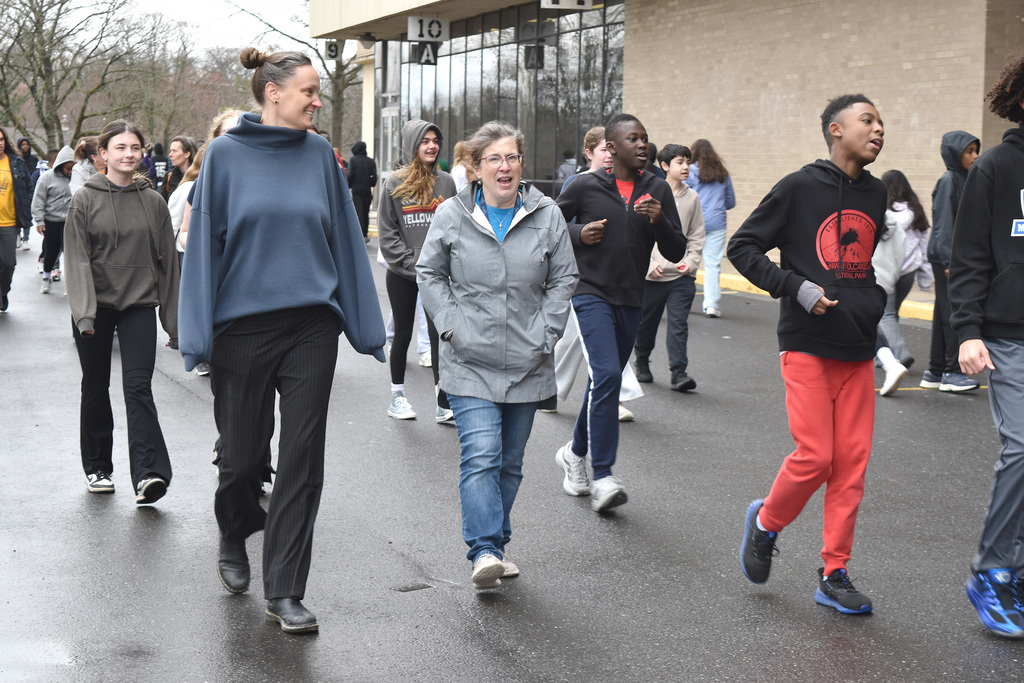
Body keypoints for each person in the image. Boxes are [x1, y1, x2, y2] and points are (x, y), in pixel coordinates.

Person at [178, 47, 385, 634]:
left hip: (310, 327)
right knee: (242, 460)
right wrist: (196, 332)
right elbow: (205, 249)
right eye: (308, 91)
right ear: (273, 92)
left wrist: (365, 325)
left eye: (318, 92)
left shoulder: (320, 154)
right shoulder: (224, 156)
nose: (318, 101)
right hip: (241, 329)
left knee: (302, 456)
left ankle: (286, 590)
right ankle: (234, 526)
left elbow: (344, 238)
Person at [728, 94, 887, 614]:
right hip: (807, 345)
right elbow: (743, 246)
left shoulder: (877, 193)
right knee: (816, 456)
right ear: (835, 129)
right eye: (867, 120)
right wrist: (794, 286)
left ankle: (834, 573)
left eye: (881, 123)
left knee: (851, 467)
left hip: (858, 347)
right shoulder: (798, 186)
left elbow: (860, 263)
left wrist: (871, 301)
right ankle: (766, 522)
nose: (878, 129)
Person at [418, 120, 577, 588]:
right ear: (476, 167)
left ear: (521, 164)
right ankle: (484, 549)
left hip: (529, 359)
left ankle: (496, 545)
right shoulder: (452, 214)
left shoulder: (547, 215)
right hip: (469, 358)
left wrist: (547, 332)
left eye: (512, 157)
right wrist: (451, 326)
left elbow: (564, 278)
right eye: (494, 159)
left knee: (509, 462)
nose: (504, 167)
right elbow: (430, 272)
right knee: (482, 454)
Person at [553, 113, 685, 512]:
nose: (642, 144)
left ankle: (574, 452)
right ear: (611, 148)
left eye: (645, 138)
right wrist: (579, 233)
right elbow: (549, 226)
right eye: (633, 139)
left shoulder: (657, 188)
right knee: (609, 374)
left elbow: (676, 250)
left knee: (602, 382)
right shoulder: (585, 185)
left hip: (631, 297)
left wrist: (660, 221)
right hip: (590, 292)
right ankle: (604, 475)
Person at [63, 119, 179, 504]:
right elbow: (77, 260)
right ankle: (98, 466)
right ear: (103, 154)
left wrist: (174, 323)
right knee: (96, 386)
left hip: (138, 306)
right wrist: (84, 313)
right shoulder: (84, 200)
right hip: (95, 308)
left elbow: (168, 264)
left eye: (135, 148)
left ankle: (149, 475)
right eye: (120, 148)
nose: (129, 154)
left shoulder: (154, 201)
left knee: (138, 387)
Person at [950, 48, 1024, 639]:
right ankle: (992, 570)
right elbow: (970, 255)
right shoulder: (996, 166)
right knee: (1023, 447)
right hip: (1008, 334)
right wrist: (969, 331)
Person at [545, 126, 641, 421]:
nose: (610, 154)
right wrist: (580, 233)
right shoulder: (579, 183)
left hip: (617, 278)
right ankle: (613, 397)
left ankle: (551, 389)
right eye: (603, 149)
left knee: (581, 340)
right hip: (582, 276)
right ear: (589, 153)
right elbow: (553, 224)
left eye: (613, 148)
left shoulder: (630, 183)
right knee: (593, 341)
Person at [377, 119, 456, 423]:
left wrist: (443, 265)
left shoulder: (447, 183)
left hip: (437, 274)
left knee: (440, 336)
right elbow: (387, 234)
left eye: (435, 140)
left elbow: (454, 228)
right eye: (425, 140)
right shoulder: (393, 183)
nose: (432, 146)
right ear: (413, 144)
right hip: (402, 274)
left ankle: (443, 401)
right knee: (403, 334)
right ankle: (397, 397)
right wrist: (413, 265)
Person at [634, 144, 706, 392]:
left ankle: (679, 373)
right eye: (680, 162)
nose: (686, 167)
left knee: (679, 325)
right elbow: (638, 234)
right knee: (646, 325)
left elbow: (696, 234)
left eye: (688, 162)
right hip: (652, 276)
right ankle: (642, 361)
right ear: (664, 166)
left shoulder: (692, 197)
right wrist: (649, 264)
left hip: (681, 276)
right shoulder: (649, 194)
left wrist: (691, 262)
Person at [921, 130, 981, 392]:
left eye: (975, 150)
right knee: (953, 313)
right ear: (955, 154)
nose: (975, 156)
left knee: (943, 312)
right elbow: (944, 224)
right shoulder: (949, 180)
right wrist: (949, 262)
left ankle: (935, 370)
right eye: (969, 151)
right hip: (948, 259)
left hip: (950, 257)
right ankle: (952, 372)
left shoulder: (963, 179)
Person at [882, 169, 932, 366]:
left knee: (884, 314)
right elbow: (923, 247)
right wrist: (925, 280)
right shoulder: (915, 211)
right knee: (892, 313)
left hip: (885, 270)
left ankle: (898, 353)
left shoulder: (880, 211)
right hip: (908, 271)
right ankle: (886, 355)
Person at [687, 139, 736, 318]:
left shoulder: (689, 172)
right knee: (713, 265)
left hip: (694, 223)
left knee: (690, 263)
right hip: (717, 223)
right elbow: (730, 202)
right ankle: (711, 306)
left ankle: (685, 303)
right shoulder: (723, 173)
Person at [31, 145, 74, 294]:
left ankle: (71, 284)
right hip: (52, 221)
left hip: (70, 221)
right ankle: (46, 277)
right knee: (52, 251)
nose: (70, 172)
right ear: (60, 165)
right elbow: (38, 200)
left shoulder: (76, 178)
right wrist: (39, 221)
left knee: (70, 253)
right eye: (68, 169)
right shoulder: (47, 177)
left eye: (72, 169)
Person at [0, 126, 33, 311]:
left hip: (9, 223)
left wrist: (25, 209)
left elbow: (29, 188)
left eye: (1, 139)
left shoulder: (16, 163)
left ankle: (3, 291)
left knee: (8, 263)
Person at [347, 141, 378, 241]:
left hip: (356, 190)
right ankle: (365, 233)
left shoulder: (353, 160)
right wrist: (370, 183)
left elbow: (350, 174)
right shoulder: (371, 161)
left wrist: (349, 185)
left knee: (358, 212)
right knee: (365, 212)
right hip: (367, 190)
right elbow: (374, 177)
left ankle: (359, 234)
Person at [163, 135, 196, 200]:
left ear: (187, 154)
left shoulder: (198, 176)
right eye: (170, 151)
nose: (170, 154)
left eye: (174, 151)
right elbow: (163, 202)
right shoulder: (169, 176)